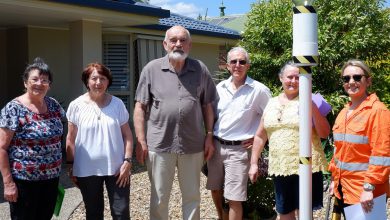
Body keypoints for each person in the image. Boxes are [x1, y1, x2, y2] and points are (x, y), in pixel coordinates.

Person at [133, 25, 217, 220]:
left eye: (182, 40)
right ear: (165, 44)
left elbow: (207, 105)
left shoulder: (200, 69)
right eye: (173, 40)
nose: (178, 44)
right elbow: (140, 107)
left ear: (189, 45)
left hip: (193, 144)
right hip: (160, 144)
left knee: (192, 196)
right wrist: (141, 140)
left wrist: (210, 136)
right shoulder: (151, 69)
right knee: (159, 197)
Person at [248, 62, 330, 220]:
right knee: (284, 212)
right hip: (281, 167)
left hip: (306, 166)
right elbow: (260, 135)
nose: (293, 81)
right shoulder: (271, 103)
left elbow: (324, 133)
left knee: (304, 213)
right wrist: (253, 163)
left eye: (298, 77)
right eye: (289, 77)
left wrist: (312, 106)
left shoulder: (310, 100)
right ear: (281, 78)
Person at [206, 47, 271, 220]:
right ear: (227, 65)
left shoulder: (259, 90)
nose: (237, 65)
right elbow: (212, 116)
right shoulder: (219, 88)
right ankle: (221, 217)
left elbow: (271, 119)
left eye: (242, 61)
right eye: (233, 61)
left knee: (234, 198)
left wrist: (258, 138)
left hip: (239, 150)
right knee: (215, 189)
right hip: (217, 146)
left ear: (248, 66)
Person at [66, 63, 133, 220]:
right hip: (86, 169)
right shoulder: (76, 106)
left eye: (102, 78)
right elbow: (70, 138)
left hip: (117, 169)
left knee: (121, 212)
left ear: (108, 81)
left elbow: (128, 136)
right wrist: (70, 165)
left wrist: (128, 161)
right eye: (94, 78)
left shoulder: (118, 104)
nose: (98, 82)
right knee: (93, 213)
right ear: (87, 81)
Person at [0, 57, 65, 220]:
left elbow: (61, 136)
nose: (39, 83)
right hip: (24, 181)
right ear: (25, 83)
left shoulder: (53, 105)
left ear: (49, 85)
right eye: (35, 79)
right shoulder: (13, 109)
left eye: (44, 80)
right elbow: (1, 148)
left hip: (51, 179)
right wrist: (8, 184)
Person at [328, 59, 390, 217]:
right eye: (346, 78)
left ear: (368, 81)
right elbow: (339, 151)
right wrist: (335, 179)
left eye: (357, 77)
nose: (351, 82)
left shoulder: (378, 111)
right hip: (344, 188)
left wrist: (369, 188)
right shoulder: (344, 112)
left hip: (365, 190)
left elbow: (381, 154)